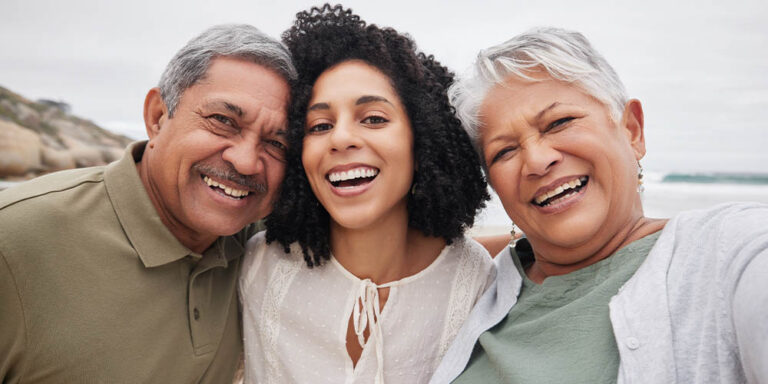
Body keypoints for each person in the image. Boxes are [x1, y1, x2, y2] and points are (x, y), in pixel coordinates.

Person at [427, 27, 768, 384]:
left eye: (559, 123)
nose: (538, 161)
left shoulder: (726, 252)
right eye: (505, 151)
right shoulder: (473, 289)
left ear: (632, 130)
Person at [0, 24, 296, 383]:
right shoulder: (15, 239)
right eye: (223, 121)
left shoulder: (259, 250)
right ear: (157, 116)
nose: (247, 161)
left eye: (277, 144)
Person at [239, 5, 494, 383]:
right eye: (320, 125)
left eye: (374, 118)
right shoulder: (257, 265)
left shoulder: (479, 285)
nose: (341, 138)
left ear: (420, 141)